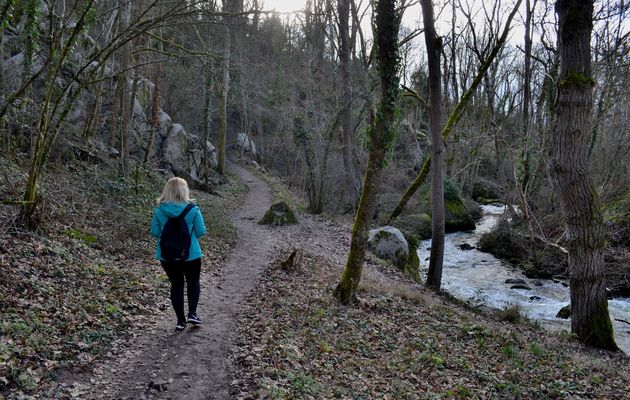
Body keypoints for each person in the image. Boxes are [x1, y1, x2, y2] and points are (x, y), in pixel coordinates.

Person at [150, 177, 206, 331]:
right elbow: (201, 232)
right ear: (184, 190)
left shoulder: (159, 210)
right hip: (191, 254)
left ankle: (180, 321)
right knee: (193, 282)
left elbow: (154, 232)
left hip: (167, 256)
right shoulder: (193, 209)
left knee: (176, 285)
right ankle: (192, 314)